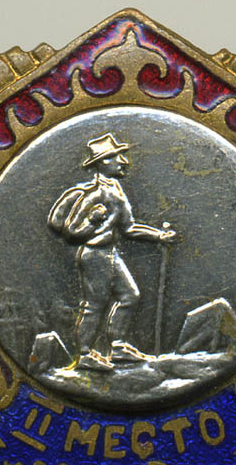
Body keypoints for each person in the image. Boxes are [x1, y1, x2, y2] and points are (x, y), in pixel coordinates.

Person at [48, 133, 176, 369]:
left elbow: (128, 228)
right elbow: (71, 232)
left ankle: (117, 347)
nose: (124, 162)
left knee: (130, 296)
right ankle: (84, 355)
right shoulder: (96, 194)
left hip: (111, 254)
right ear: (105, 161)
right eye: (119, 157)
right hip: (95, 256)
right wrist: (92, 221)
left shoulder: (116, 189)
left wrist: (158, 236)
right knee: (94, 305)